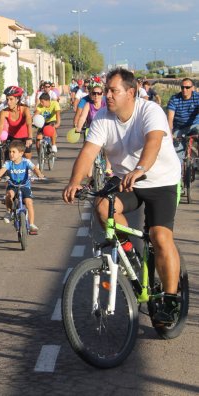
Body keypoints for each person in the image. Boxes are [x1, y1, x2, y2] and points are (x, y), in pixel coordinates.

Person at [63, 68, 182, 325]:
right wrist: (74, 182)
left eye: (112, 90)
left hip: (160, 181)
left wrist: (141, 168)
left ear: (131, 92)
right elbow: (88, 152)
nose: (107, 95)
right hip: (127, 181)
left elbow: (153, 142)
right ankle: (130, 254)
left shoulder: (149, 111)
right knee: (103, 207)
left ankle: (171, 300)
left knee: (160, 236)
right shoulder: (103, 118)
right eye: (106, 90)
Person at [0, 140, 44, 235]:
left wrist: (39, 174)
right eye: (10, 152)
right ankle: (8, 212)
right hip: (13, 185)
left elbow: (35, 168)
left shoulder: (26, 162)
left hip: (25, 186)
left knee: (29, 202)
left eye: (13, 152)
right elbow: (2, 170)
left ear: (21, 153)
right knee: (9, 195)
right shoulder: (8, 163)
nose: (11, 154)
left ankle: (32, 224)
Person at [0, 86, 34, 160]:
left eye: (11, 99)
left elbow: (29, 124)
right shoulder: (4, 112)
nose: (8, 102)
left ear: (17, 99)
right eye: (7, 99)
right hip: (12, 137)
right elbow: (0, 127)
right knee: (9, 157)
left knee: (27, 155)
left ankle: (28, 170)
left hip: (25, 137)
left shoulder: (25, 109)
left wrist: (30, 138)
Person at [167, 78, 199, 161]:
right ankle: (181, 172)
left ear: (192, 88)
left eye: (187, 87)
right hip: (179, 127)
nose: (184, 89)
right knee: (176, 155)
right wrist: (170, 133)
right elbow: (170, 118)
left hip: (195, 125)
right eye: (182, 87)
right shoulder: (174, 99)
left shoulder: (197, 97)